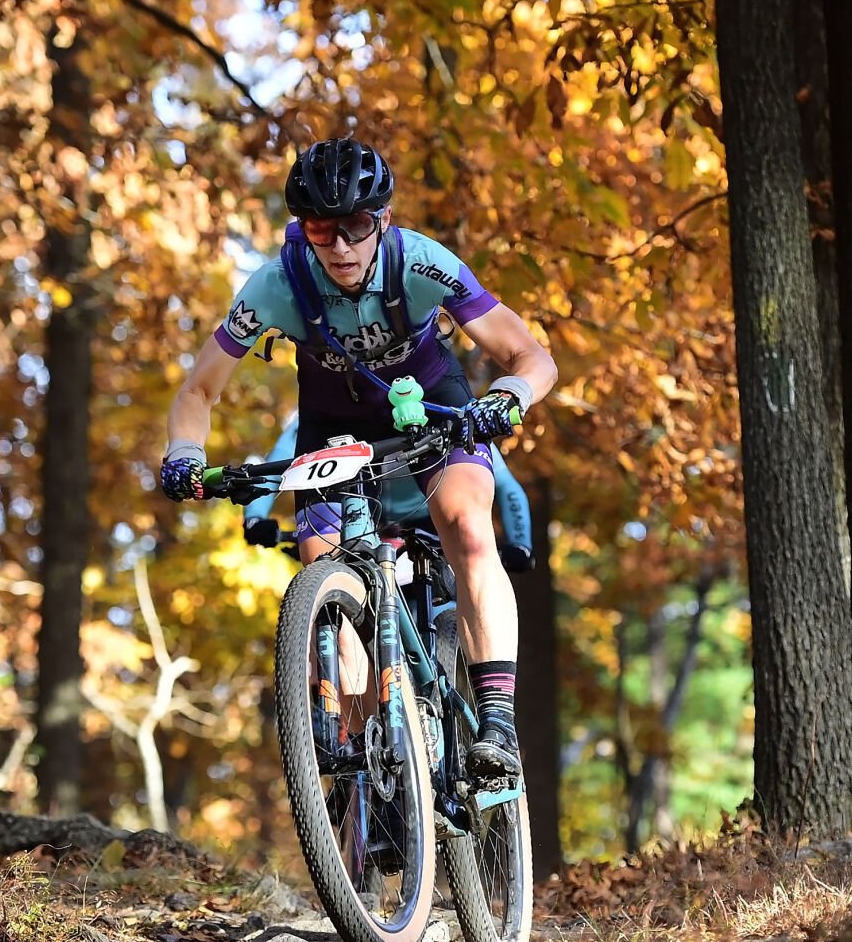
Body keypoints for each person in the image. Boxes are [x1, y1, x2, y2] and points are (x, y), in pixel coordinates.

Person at [159, 136, 557, 778]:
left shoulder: (424, 265)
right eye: (322, 229)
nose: (340, 246)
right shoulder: (273, 286)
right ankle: (373, 759)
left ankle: (497, 723)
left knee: (463, 524)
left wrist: (506, 399)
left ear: (384, 220)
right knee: (321, 575)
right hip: (332, 427)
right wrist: (184, 452)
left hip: (431, 406)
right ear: (302, 228)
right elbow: (199, 389)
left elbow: (531, 358)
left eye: (356, 226)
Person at [241, 410, 536, 574]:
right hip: (364, 515)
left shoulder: (440, 406)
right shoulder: (328, 410)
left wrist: (519, 545)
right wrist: (255, 517)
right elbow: (282, 464)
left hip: (427, 516)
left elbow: (506, 486)